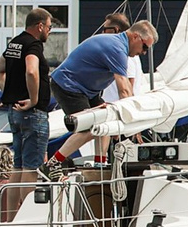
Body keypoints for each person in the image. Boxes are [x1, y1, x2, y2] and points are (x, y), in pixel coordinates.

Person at [46, 17, 156, 167]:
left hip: (86, 90)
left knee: (106, 120)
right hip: (68, 86)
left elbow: (127, 89)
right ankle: (52, 164)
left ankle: (100, 163)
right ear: (135, 37)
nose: (144, 53)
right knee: (88, 128)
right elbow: (124, 89)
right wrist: (133, 122)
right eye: (145, 47)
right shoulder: (117, 49)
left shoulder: (120, 47)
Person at [0, 6, 54, 169]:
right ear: (40, 26)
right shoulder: (33, 45)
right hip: (32, 114)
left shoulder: (15, 42)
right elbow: (31, 71)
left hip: (14, 112)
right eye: (49, 27)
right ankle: (27, 196)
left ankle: (16, 196)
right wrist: (34, 100)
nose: (49, 31)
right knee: (32, 168)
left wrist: (9, 92)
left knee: (18, 166)